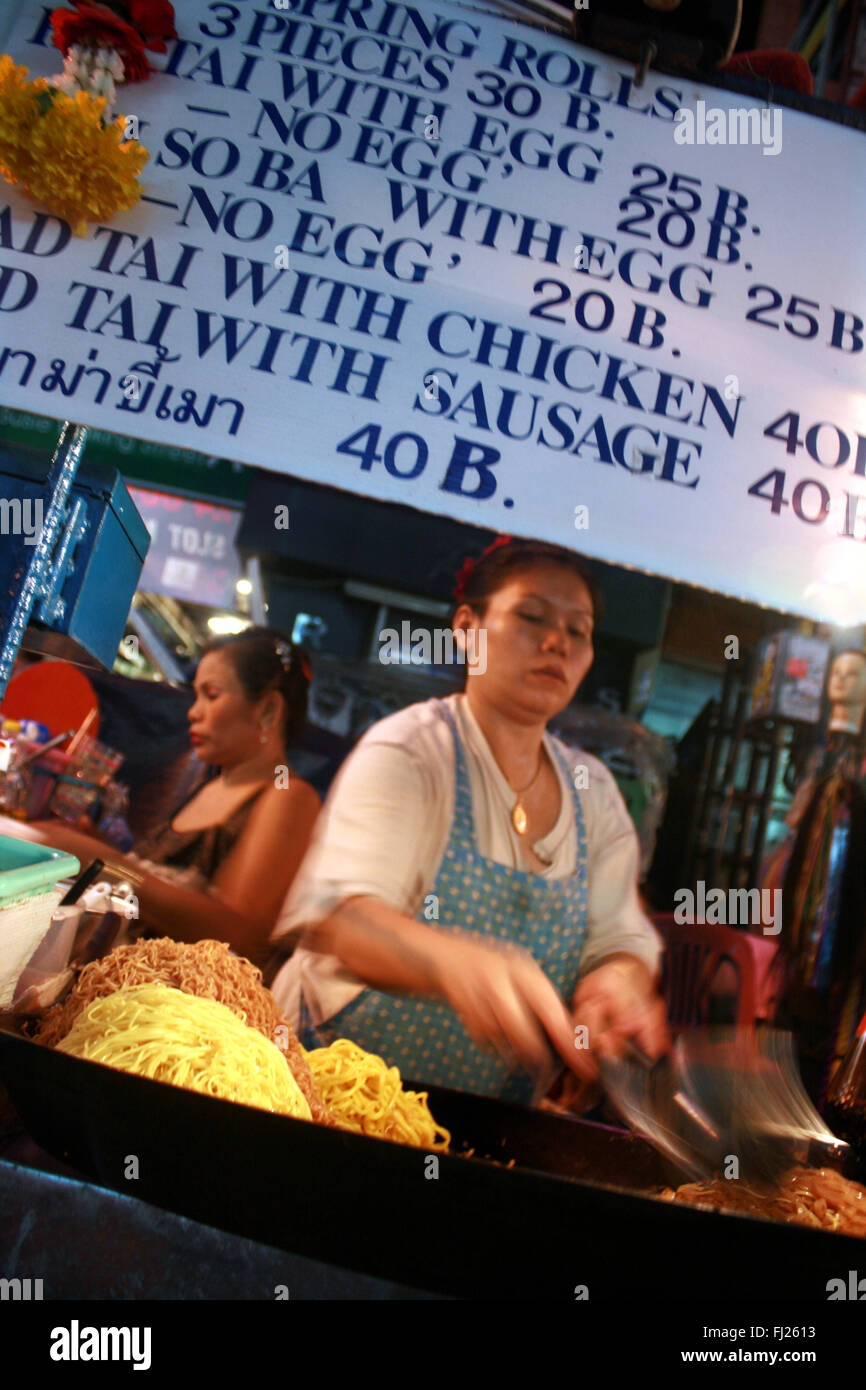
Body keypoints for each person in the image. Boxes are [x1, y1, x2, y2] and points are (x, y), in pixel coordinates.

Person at [270, 536, 668, 1104]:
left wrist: (618, 983)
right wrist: (456, 961)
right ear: (466, 627)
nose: (557, 641)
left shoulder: (596, 793)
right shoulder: (411, 750)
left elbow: (618, 939)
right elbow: (342, 920)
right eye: (531, 616)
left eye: (577, 631)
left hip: (484, 1126)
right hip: (319, 1090)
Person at [2, 628, 321, 963]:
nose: (193, 712)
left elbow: (240, 934)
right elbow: (159, 883)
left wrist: (109, 865)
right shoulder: (207, 784)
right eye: (196, 696)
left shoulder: (288, 795)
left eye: (211, 695)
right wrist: (89, 842)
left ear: (269, 710)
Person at [771, 648, 866, 1107]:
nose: (841, 680)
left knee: (828, 1032)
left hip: (841, 938)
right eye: (838, 671)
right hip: (804, 935)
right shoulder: (821, 757)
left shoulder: (853, 771)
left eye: (853, 673)